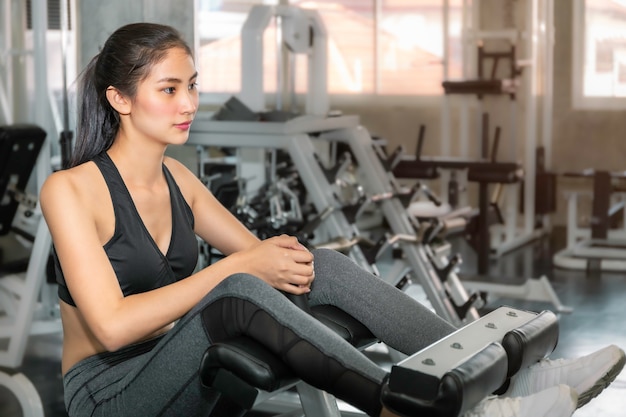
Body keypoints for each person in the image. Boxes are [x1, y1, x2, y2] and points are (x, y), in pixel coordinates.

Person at [39, 22, 624, 417]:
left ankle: (507, 382)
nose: (189, 103)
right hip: (109, 392)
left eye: (191, 86)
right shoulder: (70, 191)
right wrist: (243, 267)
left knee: (314, 264)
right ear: (119, 98)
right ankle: (413, 407)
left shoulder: (180, 182)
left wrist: (287, 266)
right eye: (169, 89)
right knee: (238, 284)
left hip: (172, 362)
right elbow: (113, 327)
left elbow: (276, 272)